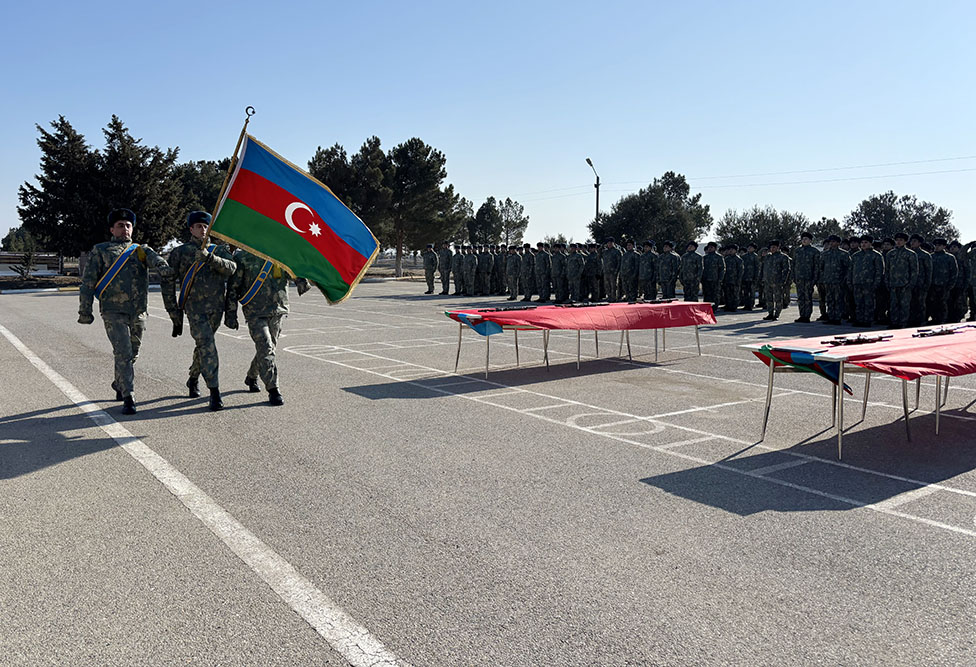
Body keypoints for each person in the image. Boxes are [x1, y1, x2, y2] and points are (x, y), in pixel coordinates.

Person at [78, 208, 176, 415]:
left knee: (133, 352)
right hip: (113, 311)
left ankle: (119, 383)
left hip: (138, 311)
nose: (125, 229)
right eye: (120, 225)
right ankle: (129, 397)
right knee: (122, 351)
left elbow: (156, 259)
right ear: (112, 229)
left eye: (128, 225)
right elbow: (88, 283)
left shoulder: (140, 250)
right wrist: (85, 310)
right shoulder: (101, 250)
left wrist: (163, 267)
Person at [166, 211, 237, 410]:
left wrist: (210, 259)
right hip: (194, 309)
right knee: (207, 345)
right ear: (191, 229)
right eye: (199, 226)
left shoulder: (218, 250)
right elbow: (168, 282)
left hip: (216, 308)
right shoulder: (180, 252)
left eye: (206, 227)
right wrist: (174, 313)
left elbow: (232, 268)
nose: (203, 230)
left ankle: (193, 377)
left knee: (204, 346)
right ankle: (214, 391)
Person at [225, 249, 308, 405]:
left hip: (277, 308)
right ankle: (273, 389)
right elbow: (233, 287)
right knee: (265, 347)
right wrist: (231, 314)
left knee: (268, 349)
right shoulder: (242, 257)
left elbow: (291, 271)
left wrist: (301, 280)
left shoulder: (279, 254)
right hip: (254, 311)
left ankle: (251, 376)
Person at [848, 235, 885, 327]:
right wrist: (850, 281)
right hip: (857, 283)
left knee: (869, 303)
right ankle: (859, 319)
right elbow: (851, 270)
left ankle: (867, 320)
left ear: (870, 243)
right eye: (862, 243)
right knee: (858, 302)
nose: (863, 244)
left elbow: (879, 271)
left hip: (869, 283)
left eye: (866, 242)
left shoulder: (876, 255)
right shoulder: (856, 256)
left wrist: (876, 283)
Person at [886, 232, 919, 329]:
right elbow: (887, 269)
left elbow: (914, 270)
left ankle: (903, 322)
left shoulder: (910, 254)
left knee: (904, 304)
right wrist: (887, 281)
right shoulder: (890, 254)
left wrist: (911, 283)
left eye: (901, 240)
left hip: (905, 283)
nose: (898, 242)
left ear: (905, 241)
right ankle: (894, 322)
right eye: (897, 240)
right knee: (893, 304)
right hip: (893, 283)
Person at [819, 235, 851, 324]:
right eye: (830, 241)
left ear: (838, 243)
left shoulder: (844, 254)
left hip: (839, 281)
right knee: (829, 299)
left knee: (838, 300)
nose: (831, 243)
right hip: (828, 281)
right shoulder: (824, 254)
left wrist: (844, 279)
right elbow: (821, 267)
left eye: (834, 241)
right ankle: (831, 317)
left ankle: (837, 318)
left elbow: (848, 268)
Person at [791, 232, 820, 323]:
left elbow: (817, 266)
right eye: (803, 238)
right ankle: (802, 315)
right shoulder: (797, 251)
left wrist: (814, 279)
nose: (804, 240)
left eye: (806, 239)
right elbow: (793, 264)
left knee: (808, 298)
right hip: (799, 278)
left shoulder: (814, 251)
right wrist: (793, 277)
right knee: (800, 297)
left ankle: (807, 316)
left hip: (809, 278)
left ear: (810, 240)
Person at [928, 239, 958, 324]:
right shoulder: (931, 256)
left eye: (939, 245)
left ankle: (942, 320)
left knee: (943, 303)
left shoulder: (949, 257)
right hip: (933, 284)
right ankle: (934, 319)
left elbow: (954, 272)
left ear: (944, 246)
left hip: (944, 285)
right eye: (936, 245)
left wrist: (950, 285)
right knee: (933, 303)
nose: (937, 247)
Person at [908, 234, 931, 326]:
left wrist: (927, 284)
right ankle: (910, 320)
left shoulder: (925, 255)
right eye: (912, 241)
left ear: (919, 243)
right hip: (909, 282)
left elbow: (928, 271)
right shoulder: (908, 254)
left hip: (921, 283)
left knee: (920, 303)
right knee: (910, 303)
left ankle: (920, 321)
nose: (912, 243)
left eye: (915, 241)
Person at [700, 241, 725, 310]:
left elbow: (722, 269)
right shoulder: (704, 257)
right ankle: (706, 307)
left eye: (711, 247)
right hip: (706, 279)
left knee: (715, 294)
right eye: (709, 247)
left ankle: (714, 308)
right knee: (706, 294)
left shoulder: (719, 257)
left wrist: (720, 279)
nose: (710, 249)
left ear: (715, 248)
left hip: (715, 279)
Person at [722, 244, 743, 311]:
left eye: (732, 249)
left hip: (735, 279)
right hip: (727, 279)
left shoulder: (738, 259)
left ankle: (734, 306)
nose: (730, 251)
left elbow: (740, 271)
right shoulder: (726, 259)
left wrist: (739, 280)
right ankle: (728, 305)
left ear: (736, 250)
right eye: (730, 249)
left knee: (735, 294)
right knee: (727, 293)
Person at [601, 238, 622, 302]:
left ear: (613, 243)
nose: (609, 244)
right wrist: (602, 246)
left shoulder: (617, 251)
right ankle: (609, 296)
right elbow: (599, 255)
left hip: (613, 272)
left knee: (613, 285)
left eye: (610, 243)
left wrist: (617, 271)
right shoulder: (605, 251)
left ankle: (613, 297)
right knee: (607, 285)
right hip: (606, 271)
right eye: (608, 243)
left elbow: (619, 262)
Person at [740, 243, 759, 310]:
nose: (749, 248)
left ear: (754, 249)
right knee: (745, 292)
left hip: (752, 277)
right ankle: (746, 305)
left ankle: (751, 305)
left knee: (752, 292)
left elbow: (757, 267)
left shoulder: (755, 256)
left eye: (751, 247)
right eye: (748, 247)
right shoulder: (744, 256)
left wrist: (756, 277)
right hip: (745, 276)